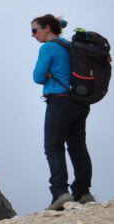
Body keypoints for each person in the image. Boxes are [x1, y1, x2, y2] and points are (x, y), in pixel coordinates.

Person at [32, 14, 94, 210]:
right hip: (79, 101)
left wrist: (49, 75)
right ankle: (83, 192)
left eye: (34, 30)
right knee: (77, 146)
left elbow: (37, 77)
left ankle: (60, 193)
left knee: (53, 146)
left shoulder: (49, 47)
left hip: (59, 100)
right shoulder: (69, 46)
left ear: (47, 28)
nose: (33, 35)